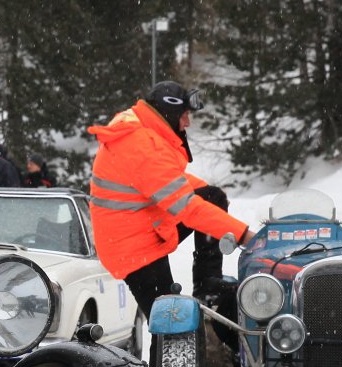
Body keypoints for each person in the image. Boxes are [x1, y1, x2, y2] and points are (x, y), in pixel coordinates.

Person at [87, 81, 252, 315]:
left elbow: (164, 179)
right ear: (170, 113)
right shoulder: (141, 144)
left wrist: (209, 194)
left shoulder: (141, 125)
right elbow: (188, 209)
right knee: (170, 322)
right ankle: (184, 324)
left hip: (141, 225)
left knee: (211, 197)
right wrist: (246, 236)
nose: (188, 123)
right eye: (185, 115)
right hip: (133, 247)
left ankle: (208, 286)